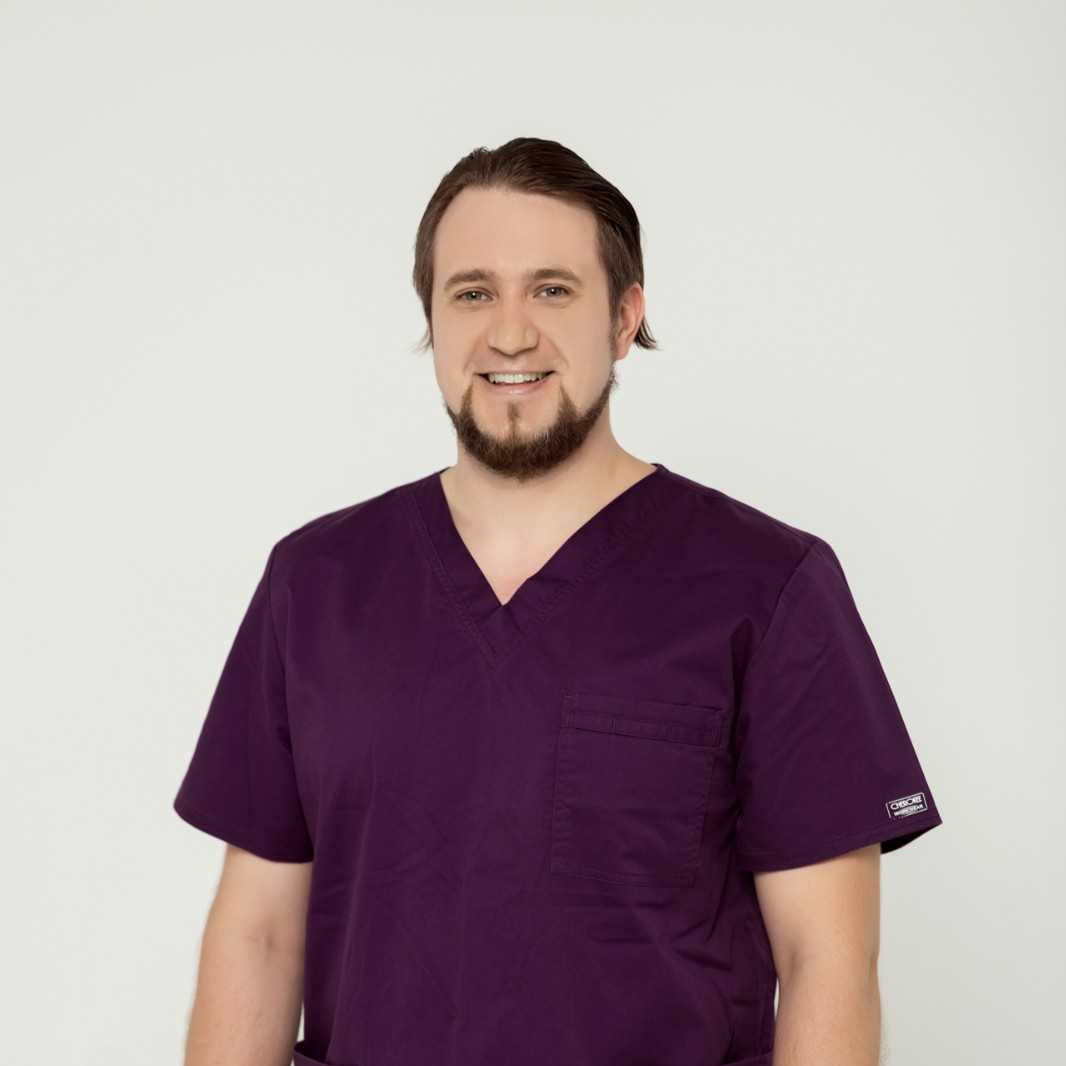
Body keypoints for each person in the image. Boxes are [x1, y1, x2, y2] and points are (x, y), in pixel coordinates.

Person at [173, 137, 943, 1066]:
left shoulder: (767, 586)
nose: (510, 333)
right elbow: (257, 935)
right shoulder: (317, 583)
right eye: (472, 293)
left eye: (551, 289)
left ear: (624, 319)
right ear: (431, 319)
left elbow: (828, 964)